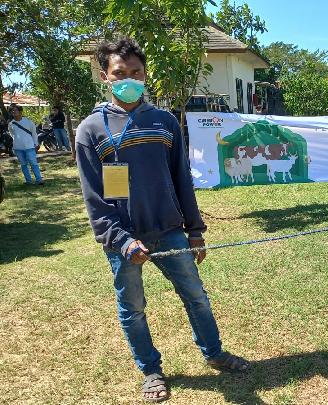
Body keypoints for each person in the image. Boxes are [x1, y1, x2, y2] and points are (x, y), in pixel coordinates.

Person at [75, 37, 248, 403]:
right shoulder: (90, 130)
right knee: (133, 310)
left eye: (136, 72)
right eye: (120, 73)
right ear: (105, 76)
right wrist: (122, 241)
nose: (129, 79)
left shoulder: (165, 121)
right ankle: (151, 370)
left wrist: (195, 230)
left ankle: (214, 353)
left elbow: (181, 179)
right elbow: (96, 198)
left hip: (170, 232)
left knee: (197, 297)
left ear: (145, 73)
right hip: (125, 241)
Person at [8, 105, 44, 185]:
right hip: (18, 147)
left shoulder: (28, 122)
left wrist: (36, 144)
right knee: (23, 164)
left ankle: (39, 180)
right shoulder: (11, 124)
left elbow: (34, 134)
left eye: (15, 110)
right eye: (12, 111)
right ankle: (28, 181)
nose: (14, 112)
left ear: (20, 111)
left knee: (33, 163)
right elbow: (12, 134)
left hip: (29, 146)